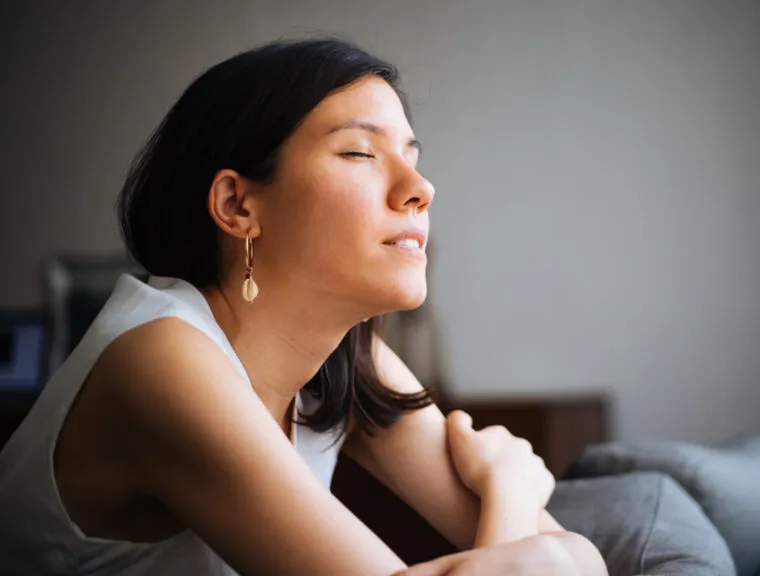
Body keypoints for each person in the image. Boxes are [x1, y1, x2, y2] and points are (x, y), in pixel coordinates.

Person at [0, 38, 607, 575]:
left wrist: (543, 550)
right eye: (360, 154)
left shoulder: (345, 354)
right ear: (238, 205)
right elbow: (552, 558)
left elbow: (583, 561)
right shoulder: (161, 359)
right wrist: (510, 491)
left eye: (412, 158)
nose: (420, 190)